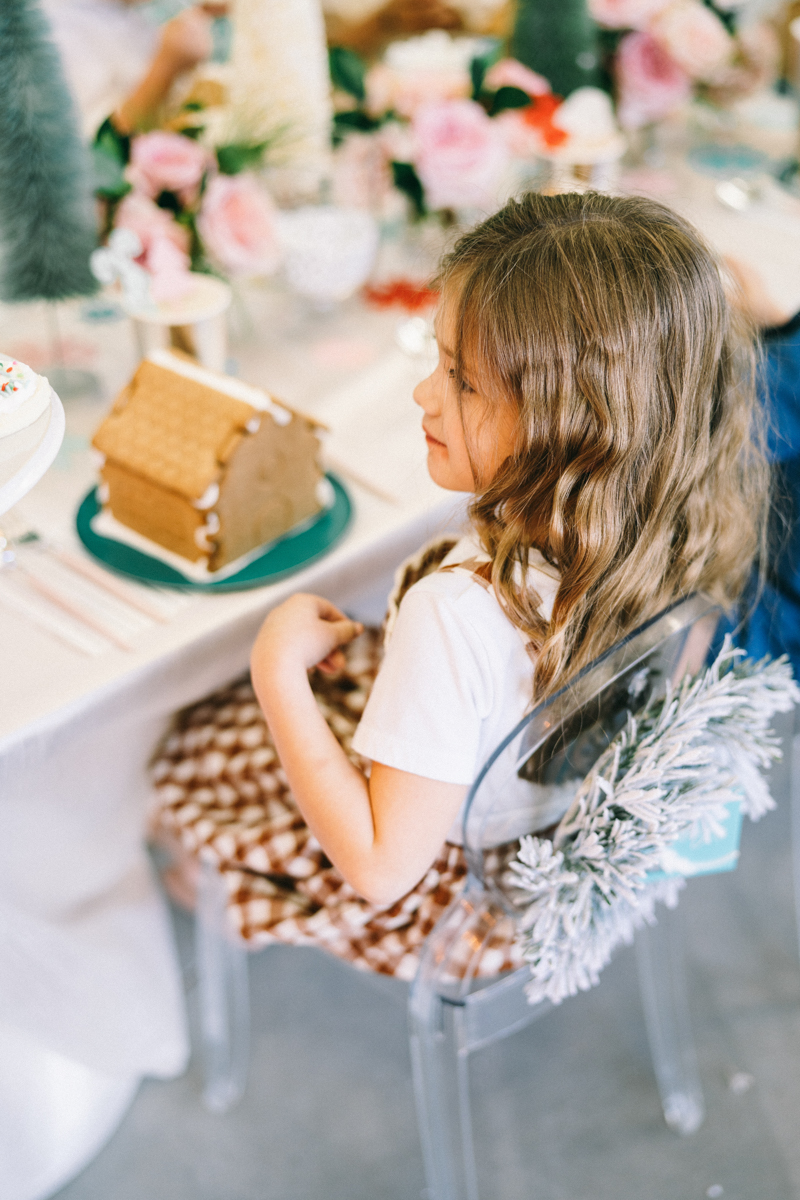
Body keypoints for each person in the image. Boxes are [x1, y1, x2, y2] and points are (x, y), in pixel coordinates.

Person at [153, 191, 769, 977]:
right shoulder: (678, 515)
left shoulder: (454, 613)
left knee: (186, 745)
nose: (425, 395)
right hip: (541, 820)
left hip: (452, 893)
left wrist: (276, 668)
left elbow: (379, 871)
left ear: (573, 423)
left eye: (461, 380)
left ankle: (207, 881)